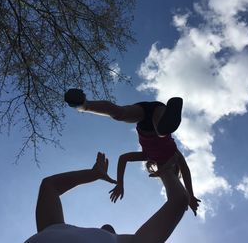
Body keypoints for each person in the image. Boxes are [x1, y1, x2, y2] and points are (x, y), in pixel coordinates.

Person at [64, 89, 200, 216]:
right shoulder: (174, 154)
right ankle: (168, 120)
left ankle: (83, 105)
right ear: (173, 167)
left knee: (120, 114)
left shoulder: (147, 155)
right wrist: (191, 195)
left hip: (143, 118)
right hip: (158, 113)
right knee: (161, 132)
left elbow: (123, 159)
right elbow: (186, 170)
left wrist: (120, 183)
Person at [25, 152, 190, 243]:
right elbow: (49, 185)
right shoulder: (55, 228)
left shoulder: (124, 242)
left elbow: (179, 201)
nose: (109, 227)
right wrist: (93, 174)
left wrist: (166, 170)